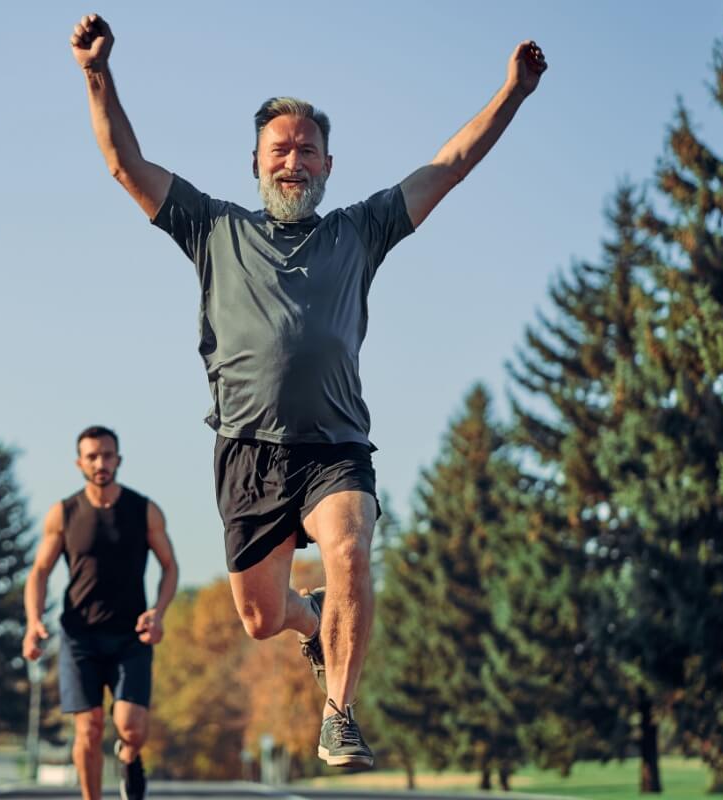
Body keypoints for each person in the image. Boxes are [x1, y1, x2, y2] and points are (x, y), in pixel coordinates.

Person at [69, 13, 546, 769]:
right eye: (279, 150)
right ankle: (311, 621)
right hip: (247, 452)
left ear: (328, 165)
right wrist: (97, 72)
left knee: (351, 549)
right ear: (256, 164)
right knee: (261, 618)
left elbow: (449, 165)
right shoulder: (211, 227)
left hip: (336, 447)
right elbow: (126, 165)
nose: (293, 160)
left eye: (307, 150)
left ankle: (339, 713)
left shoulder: (362, 230)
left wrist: (512, 93)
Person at [24, 426, 178, 800]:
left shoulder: (144, 510)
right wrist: (32, 623)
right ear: (80, 462)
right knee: (89, 728)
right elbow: (39, 572)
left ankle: (129, 756)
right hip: (80, 637)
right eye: (92, 456)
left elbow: (169, 566)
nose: (100, 463)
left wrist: (157, 612)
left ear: (118, 460)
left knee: (132, 727)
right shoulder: (63, 513)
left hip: (131, 636)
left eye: (107, 455)